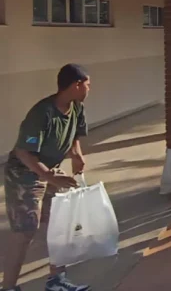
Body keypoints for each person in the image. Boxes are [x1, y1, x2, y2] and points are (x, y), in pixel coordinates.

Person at [2, 64, 91, 291]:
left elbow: (73, 136)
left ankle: (56, 281)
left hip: (49, 169)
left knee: (58, 225)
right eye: (88, 84)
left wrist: (76, 155)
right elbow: (24, 152)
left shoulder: (77, 108)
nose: (90, 89)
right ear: (77, 85)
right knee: (26, 230)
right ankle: (8, 287)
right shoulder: (42, 113)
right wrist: (48, 177)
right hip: (24, 172)